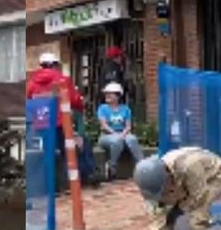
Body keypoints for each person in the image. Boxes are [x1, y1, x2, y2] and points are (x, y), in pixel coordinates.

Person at [27, 54, 97, 183]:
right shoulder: (62, 79)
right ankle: (78, 179)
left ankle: (49, 184)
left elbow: (28, 102)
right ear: (55, 65)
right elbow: (75, 100)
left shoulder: (31, 83)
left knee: (47, 153)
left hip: (41, 125)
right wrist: (80, 107)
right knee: (72, 150)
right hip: (60, 123)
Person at [96, 83, 144, 179]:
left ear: (117, 96)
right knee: (117, 140)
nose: (107, 96)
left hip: (123, 134)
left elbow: (128, 126)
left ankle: (142, 166)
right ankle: (112, 167)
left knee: (132, 139)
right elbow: (104, 126)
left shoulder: (125, 109)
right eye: (106, 93)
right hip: (106, 136)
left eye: (110, 94)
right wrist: (116, 134)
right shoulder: (102, 108)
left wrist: (123, 134)